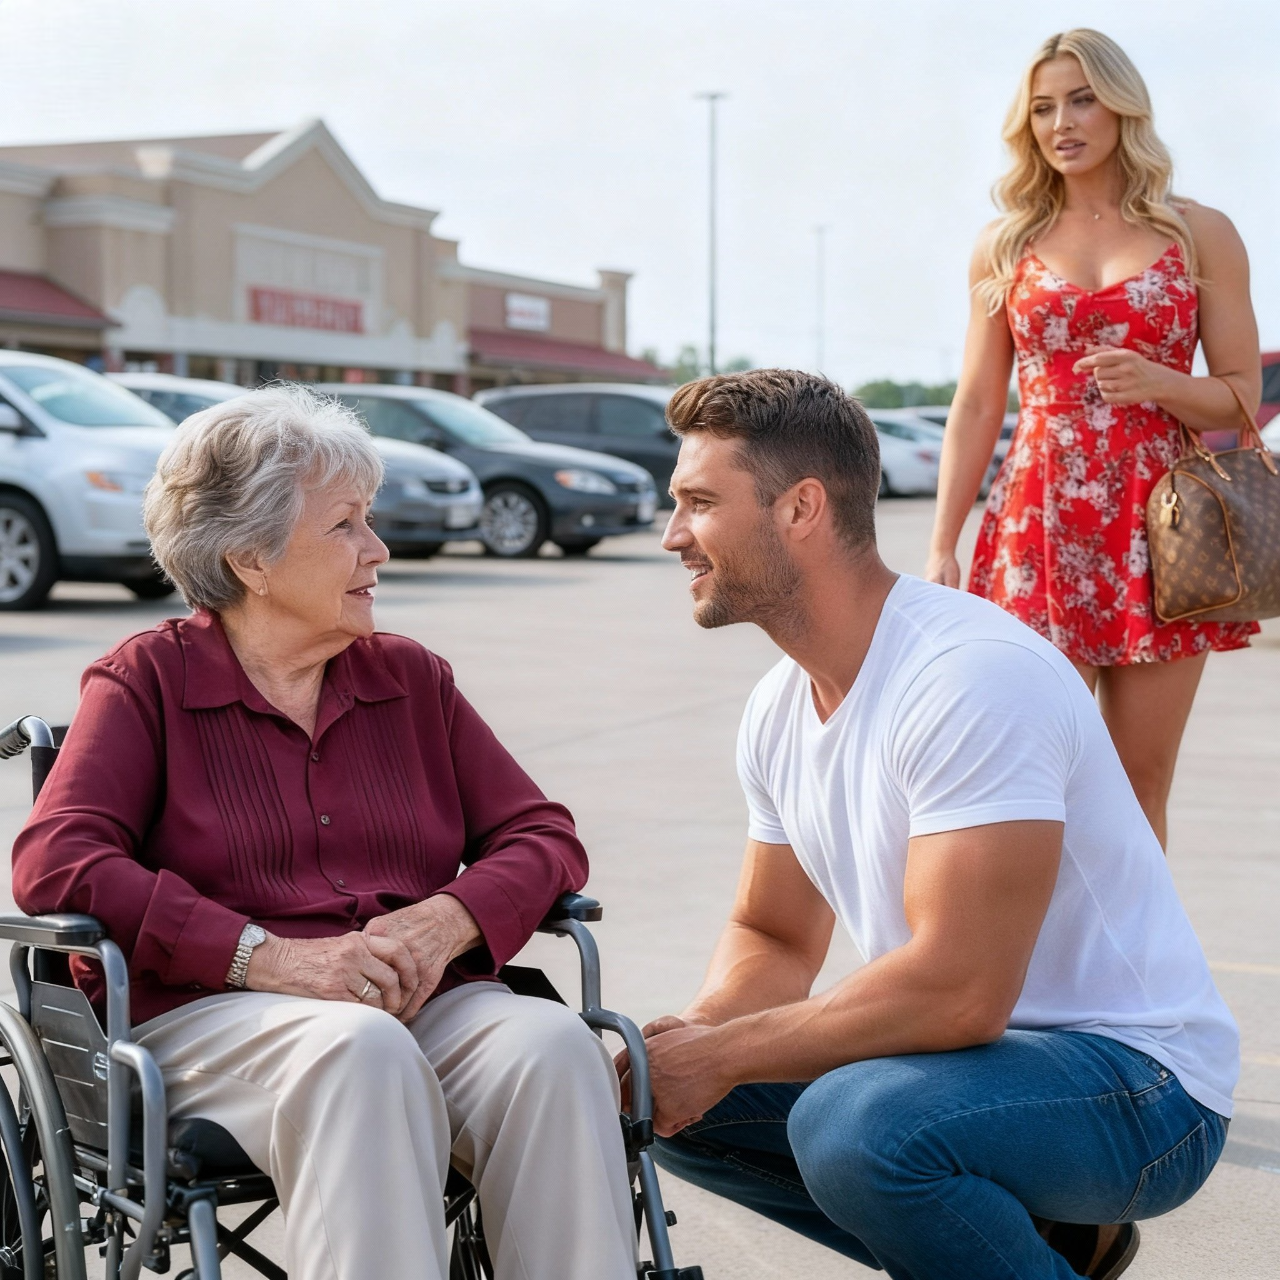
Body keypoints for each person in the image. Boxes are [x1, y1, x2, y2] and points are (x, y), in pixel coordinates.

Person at [11, 386, 636, 1280]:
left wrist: (449, 918)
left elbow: (541, 835)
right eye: (346, 525)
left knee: (552, 1048)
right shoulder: (146, 681)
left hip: (413, 999)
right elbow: (56, 862)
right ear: (250, 559)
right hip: (211, 1015)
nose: (377, 550)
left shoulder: (409, 679)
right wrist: (265, 957)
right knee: (359, 1048)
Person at [637, 369, 1237, 1280]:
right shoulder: (779, 706)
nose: (673, 534)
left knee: (860, 1128)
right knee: (673, 1102)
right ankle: (1043, 1249)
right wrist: (692, 1046)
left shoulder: (969, 676)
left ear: (801, 507)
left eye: (699, 503)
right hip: (970, 1069)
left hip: (1136, 1084)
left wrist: (723, 1052)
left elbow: (959, 991)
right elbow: (773, 932)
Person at [923, 28, 1263, 848]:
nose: (1061, 122)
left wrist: (1161, 384)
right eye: (1042, 108)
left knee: (1137, 783)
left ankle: (1131, 972)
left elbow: (1243, 399)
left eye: (1081, 100)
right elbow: (975, 404)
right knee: (1031, 777)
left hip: (1168, 531)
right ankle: (1032, 970)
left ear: (1121, 107)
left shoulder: (1197, 232)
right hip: (1037, 526)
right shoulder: (1005, 244)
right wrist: (944, 541)